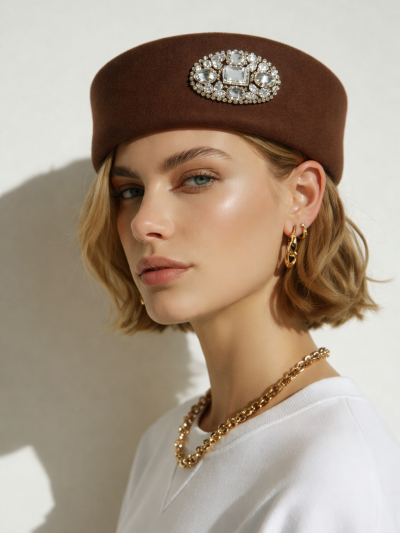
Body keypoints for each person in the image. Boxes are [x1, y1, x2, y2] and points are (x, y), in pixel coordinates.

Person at [78, 33, 400, 532]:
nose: (143, 223)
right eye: (130, 190)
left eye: (197, 178)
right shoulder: (164, 442)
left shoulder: (335, 469)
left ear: (301, 196)